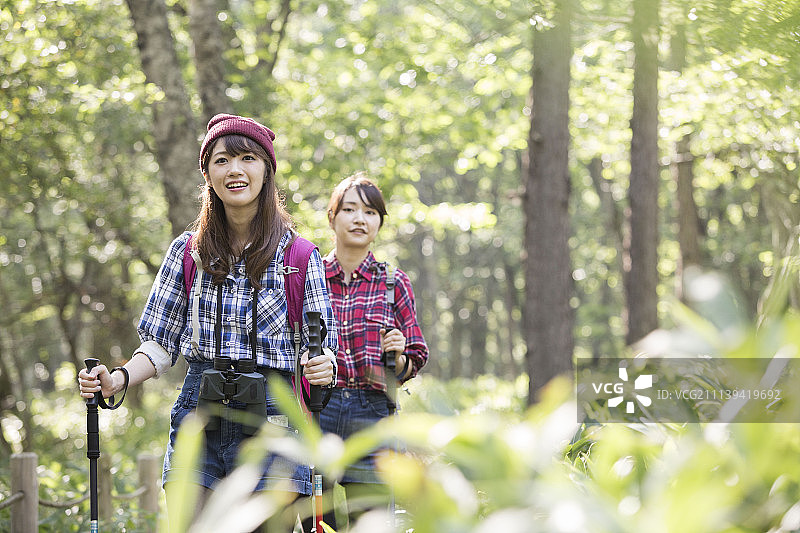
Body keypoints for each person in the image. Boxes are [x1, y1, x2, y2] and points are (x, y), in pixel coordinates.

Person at [77, 114, 338, 530]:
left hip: (273, 418)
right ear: (208, 175)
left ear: (266, 170)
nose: (235, 170)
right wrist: (118, 380)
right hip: (199, 411)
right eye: (222, 160)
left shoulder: (300, 256)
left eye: (247, 158)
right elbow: (160, 343)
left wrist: (322, 365)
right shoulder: (187, 251)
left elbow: (322, 349)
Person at [312, 172, 428, 530]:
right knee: (317, 518)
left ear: (379, 222)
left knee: (372, 520)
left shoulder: (393, 281)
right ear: (332, 217)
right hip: (318, 409)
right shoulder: (311, 276)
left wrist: (399, 354)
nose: (359, 219)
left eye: (370, 212)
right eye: (349, 209)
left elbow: (415, 359)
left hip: (373, 413)